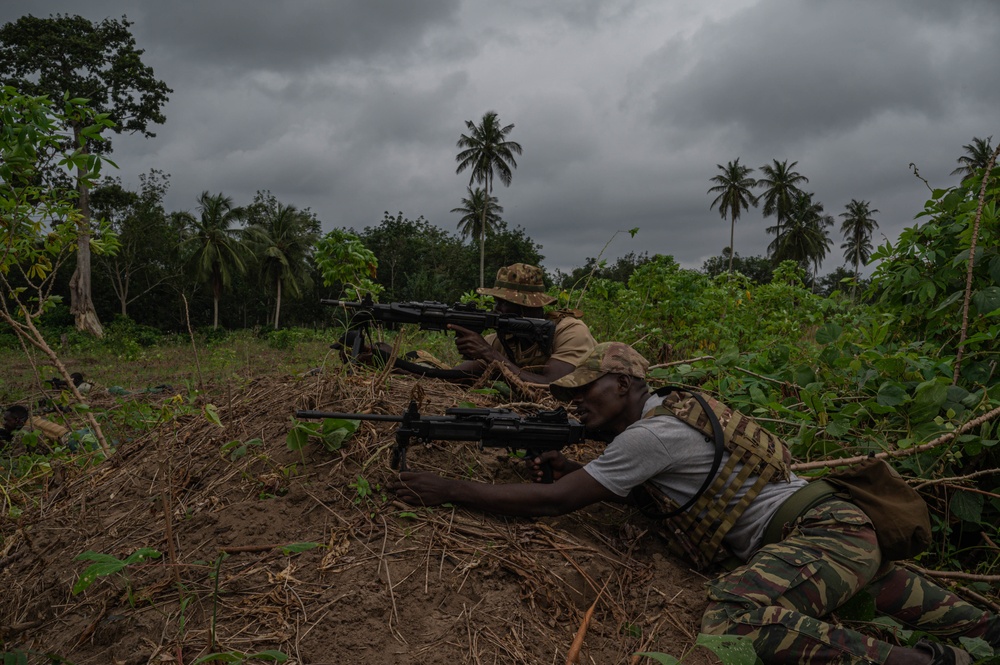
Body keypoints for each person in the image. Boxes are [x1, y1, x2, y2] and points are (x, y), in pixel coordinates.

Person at [389, 342, 1000, 665]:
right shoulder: (679, 412)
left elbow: (557, 504)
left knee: (734, 615)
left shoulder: (649, 435)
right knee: (914, 601)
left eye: (587, 390)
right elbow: (674, 489)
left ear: (624, 385)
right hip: (835, 530)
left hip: (820, 537)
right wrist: (582, 464)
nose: (576, 403)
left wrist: (448, 490)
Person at [447, 263, 596, 384]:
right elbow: (459, 374)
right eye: (497, 302)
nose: (497, 309)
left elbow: (553, 387)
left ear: (529, 306)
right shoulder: (503, 340)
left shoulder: (569, 331)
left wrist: (491, 354)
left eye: (505, 303)